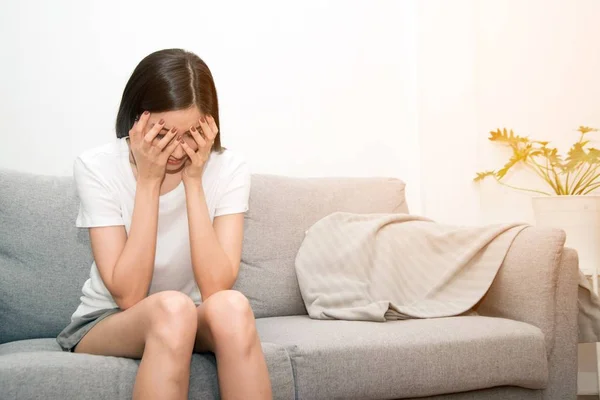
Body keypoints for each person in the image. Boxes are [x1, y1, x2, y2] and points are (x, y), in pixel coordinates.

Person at [56, 48, 272, 400]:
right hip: (109, 320)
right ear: (136, 119)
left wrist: (193, 181)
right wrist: (148, 182)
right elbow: (129, 294)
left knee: (232, 306)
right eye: (164, 132)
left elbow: (216, 287)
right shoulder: (96, 166)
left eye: (191, 133)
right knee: (172, 308)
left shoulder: (229, 168)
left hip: (192, 315)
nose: (177, 148)